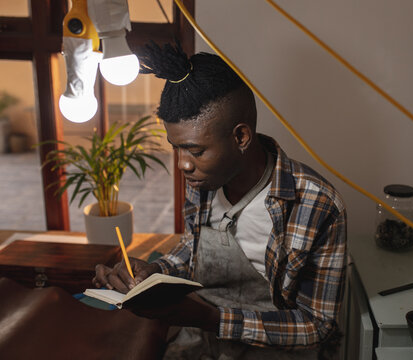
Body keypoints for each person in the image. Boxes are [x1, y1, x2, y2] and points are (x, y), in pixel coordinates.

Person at [93, 40, 347, 359]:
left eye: (196, 150)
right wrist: (153, 272)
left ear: (240, 137)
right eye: (177, 148)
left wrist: (213, 319)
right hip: (200, 338)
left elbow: (318, 326)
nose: (183, 164)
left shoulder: (316, 205)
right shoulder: (204, 177)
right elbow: (194, 246)